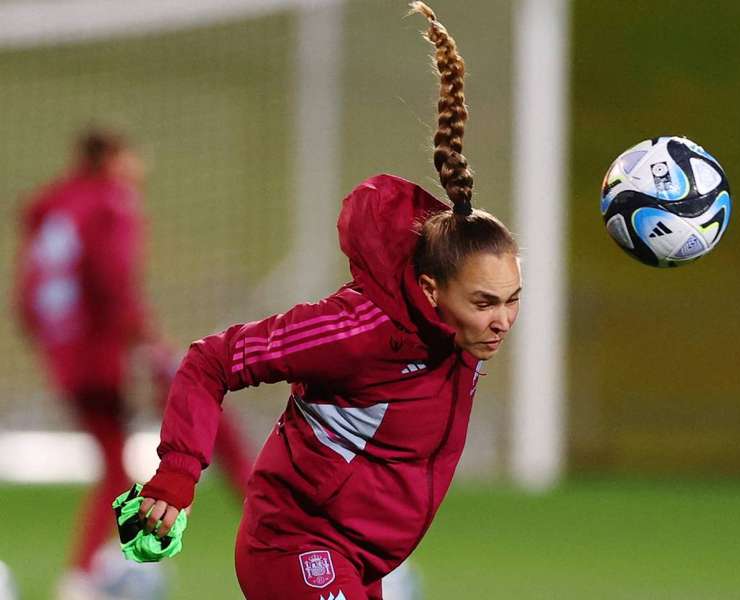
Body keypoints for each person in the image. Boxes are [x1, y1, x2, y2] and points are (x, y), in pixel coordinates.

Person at [136, 3, 521, 599]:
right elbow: (212, 360)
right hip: (295, 545)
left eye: (512, 300)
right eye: (486, 301)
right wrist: (177, 474)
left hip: (362, 562)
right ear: (429, 291)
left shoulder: (459, 330)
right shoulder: (355, 329)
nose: (502, 321)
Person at [12, 128, 255, 599]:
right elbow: (111, 276)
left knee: (113, 465)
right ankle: (286, 530)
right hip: (112, 349)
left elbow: (26, 301)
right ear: (112, 159)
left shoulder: (55, 208)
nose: (140, 169)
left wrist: (58, 345)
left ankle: (78, 581)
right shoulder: (111, 202)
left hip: (67, 356)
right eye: (133, 158)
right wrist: (139, 342)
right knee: (210, 414)